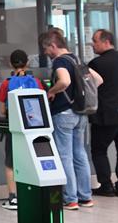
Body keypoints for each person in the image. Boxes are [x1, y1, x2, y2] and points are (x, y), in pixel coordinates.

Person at [41, 29, 103, 210]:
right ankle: (85, 197)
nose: (46, 52)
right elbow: (98, 80)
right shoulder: (76, 59)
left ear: (53, 45)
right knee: (80, 154)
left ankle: (70, 198)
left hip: (64, 113)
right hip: (80, 113)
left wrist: (51, 91)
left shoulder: (60, 61)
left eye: (46, 48)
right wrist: (80, 96)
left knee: (65, 156)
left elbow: (65, 81)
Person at [88, 29, 118, 197]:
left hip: (105, 115)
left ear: (106, 41)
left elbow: (90, 91)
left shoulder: (96, 64)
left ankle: (106, 185)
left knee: (99, 149)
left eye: (95, 41)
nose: (92, 44)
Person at [0, 49, 44, 210]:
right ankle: (34, 194)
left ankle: (13, 198)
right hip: (33, 127)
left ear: (10, 63)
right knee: (32, 159)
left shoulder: (7, 83)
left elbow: (2, 110)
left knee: (11, 162)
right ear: (27, 62)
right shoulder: (36, 82)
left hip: (14, 127)